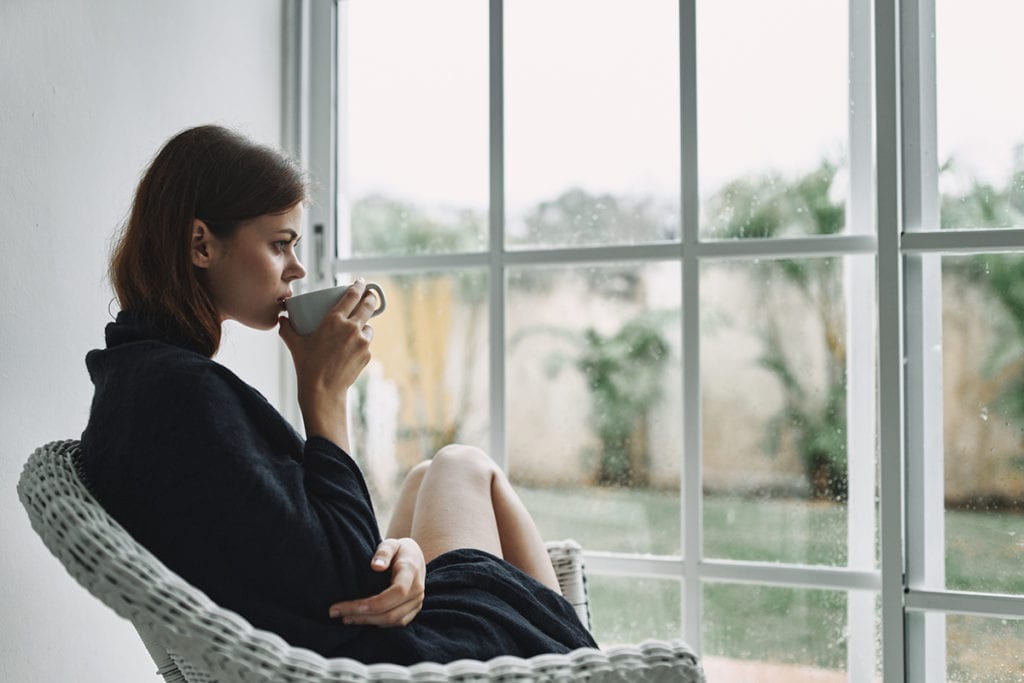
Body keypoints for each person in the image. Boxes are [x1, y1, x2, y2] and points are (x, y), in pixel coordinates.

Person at [79, 125, 597, 665]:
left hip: (336, 644)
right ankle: (584, 671)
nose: (298, 269)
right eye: (280, 244)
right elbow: (348, 579)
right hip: (374, 665)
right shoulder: (180, 395)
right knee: (462, 465)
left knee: (423, 479)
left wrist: (407, 553)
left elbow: (295, 545)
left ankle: (578, 664)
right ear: (201, 244)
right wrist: (325, 395)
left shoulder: (137, 380)